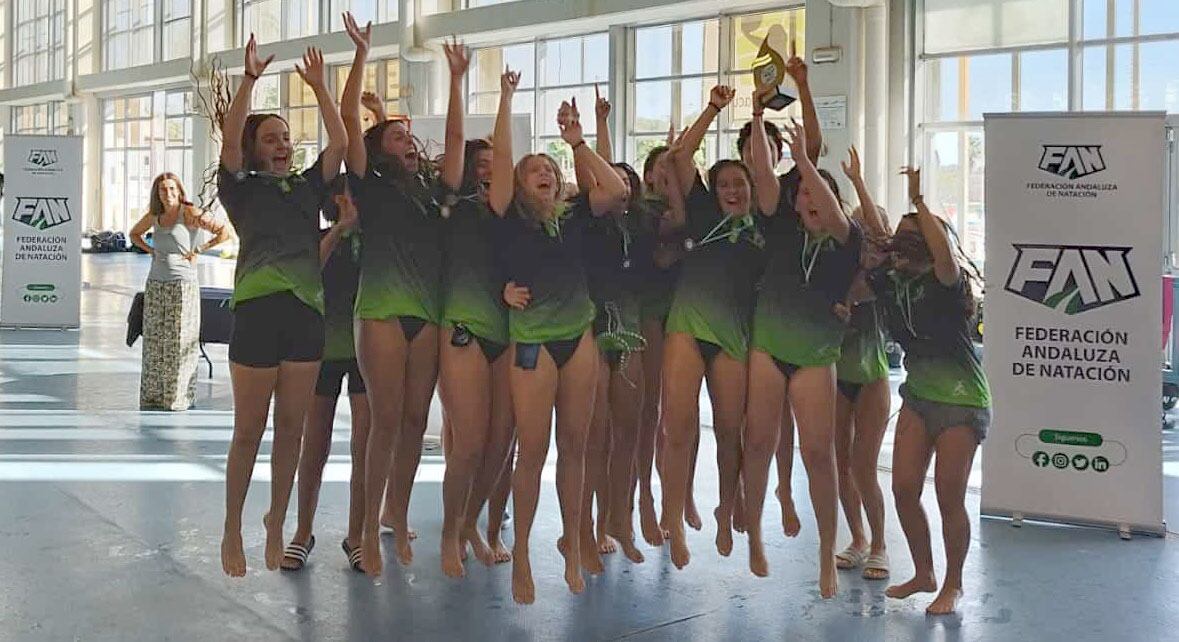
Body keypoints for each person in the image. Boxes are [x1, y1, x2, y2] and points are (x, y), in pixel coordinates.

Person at [489, 70, 628, 604]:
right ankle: (521, 550)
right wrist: (504, 99)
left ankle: (572, 545)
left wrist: (578, 143)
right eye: (534, 170)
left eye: (550, 169)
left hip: (579, 337)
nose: (543, 173)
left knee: (577, 446)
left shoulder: (575, 217)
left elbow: (615, 189)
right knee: (533, 449)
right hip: (532, 341)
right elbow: (502, 163)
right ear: (521, 187)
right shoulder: (510, 219)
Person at [218, 37, 347, 577]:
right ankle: (231, 528)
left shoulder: (304, 187)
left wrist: (320, 89)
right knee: (249, 428)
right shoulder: (240, 187)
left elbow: (339, 144)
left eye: (287, 138)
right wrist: (247, 83)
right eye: (270, 138)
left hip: (304, 314)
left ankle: (277, 519)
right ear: (253, 150)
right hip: (255, 312)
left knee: (292, 428)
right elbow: (228, 140)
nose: (282, 144)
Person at [341, 16, 464, 576]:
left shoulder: (431, 189)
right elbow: (348, 122)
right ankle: (365, 530)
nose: (408, 141)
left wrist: (458, 80)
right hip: (384, 312)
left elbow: (458, 143)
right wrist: (363, 55)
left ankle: (396, 511)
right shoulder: (370, 183)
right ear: (379, 150)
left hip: (428, 314)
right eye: (397, 136)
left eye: (410, 137)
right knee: (385, 420)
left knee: (417, 421)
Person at [741, 109, 860, 598]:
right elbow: (765, 180)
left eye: (816, 192)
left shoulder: (844, 240)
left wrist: (807, 165)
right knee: (759, 443)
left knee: (818, 452)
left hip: (813, 354)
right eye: (803, 194)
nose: (808, 199)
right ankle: (753, 536)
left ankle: (826, 549)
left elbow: (833, 213)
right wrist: (754, 112)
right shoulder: (781, 229)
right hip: (769, 346)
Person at [659, 85, 768, 570]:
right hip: (687, 323)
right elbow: (681, 157)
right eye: (724, 184)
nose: (732, 191)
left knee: (730, 430)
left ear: (751, 189)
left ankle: (728, 507)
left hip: (734, 336)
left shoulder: (766, 226)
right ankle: (672, 518)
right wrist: (714, 109)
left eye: (739, 185)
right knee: (677, 427)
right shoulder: (703, 212)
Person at [878, 167, 990, 615]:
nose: (904, 243)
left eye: (915, 236)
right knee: (904, 488)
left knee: (948, 496)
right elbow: (869, 230)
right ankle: (924, 571)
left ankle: (954, 583)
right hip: (920, 396)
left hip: (962, 401)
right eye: (901, 236)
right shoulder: (893, 283)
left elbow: (944, 254)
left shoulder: (947, 283)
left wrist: (920, 201)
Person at [434, 36, 519, 575]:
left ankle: (472, 524)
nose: (488, 169)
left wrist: (509, 101)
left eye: (495, 163)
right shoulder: (452, 204)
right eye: (480, 163)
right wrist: (461, 80)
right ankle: (450, 533)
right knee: (467, 443)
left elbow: (511, 161)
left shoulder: (512, 212)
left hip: (507, 330)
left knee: (500, 443)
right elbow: (455, 139)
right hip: (463, 326)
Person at [733, 46, 823, 541]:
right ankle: (749, 497)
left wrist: (802, 86)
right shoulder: (725, 190)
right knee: (755, 421)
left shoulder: (789, 190)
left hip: (785, 317)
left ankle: (786, 491)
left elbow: (818, 143)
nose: (758, 155)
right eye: (751, 147)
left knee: (788, 418)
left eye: (766, 147)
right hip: (741, 315)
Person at [574, 87, 650, 566]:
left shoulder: (641, 225)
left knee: (628, 430)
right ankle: (583, 527)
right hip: (591, 328)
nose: (617, 184)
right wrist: (597, 129)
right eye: (608, 177)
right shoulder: (587, 222)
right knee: (592, 433)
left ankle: (616, 516)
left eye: (625, 179)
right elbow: (596, 177)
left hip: (630, 328)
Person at [281, 182, 366, 572]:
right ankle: (302, 531)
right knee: (314, 444)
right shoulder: (316, 238)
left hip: (367, 353)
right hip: (322, 349)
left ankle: (356, 534)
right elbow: (307, 271)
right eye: (344, 195)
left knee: (364, 446)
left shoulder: (374, 241)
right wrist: (338, 230)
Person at [831, 146, 892, 581]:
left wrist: (858, 181)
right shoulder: (841, 266)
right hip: (836, 374)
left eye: (878, 237)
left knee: (864, 465)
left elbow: (878, 231)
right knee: (840, 463)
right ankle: (857, 537)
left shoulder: (885, 276)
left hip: (871, 376)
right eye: (865, 237)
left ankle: (882, 543)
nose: (872, 242)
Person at [130, 172, 230, 411]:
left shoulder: (189, 213)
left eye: (173, 189)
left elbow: (223, 232)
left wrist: (200, 249)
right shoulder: (155, 216)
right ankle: (153, 395)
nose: (169, 194)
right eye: (164, 190)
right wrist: (150, 250)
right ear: (158, 193)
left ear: (180, 190)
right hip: (156, 283)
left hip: (182, 284)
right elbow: (134, 234)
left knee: (178, 341)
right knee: (155, 341)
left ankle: (177, 396)